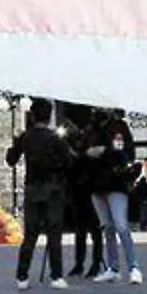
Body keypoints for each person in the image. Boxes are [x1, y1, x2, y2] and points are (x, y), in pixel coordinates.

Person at [5, 98, 73, 291]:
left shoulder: (26, 137)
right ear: (49, 115)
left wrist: (15, 142)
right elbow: (69, 162)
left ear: (33, 115)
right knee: (54, 235)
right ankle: (56, 276)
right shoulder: (55, 138)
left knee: (30, 236)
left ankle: (22, 276)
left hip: (32, 190)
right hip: (53, 190)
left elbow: (11, 160)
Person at [87, 113, 144, 286]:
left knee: (121, 225)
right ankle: (113, 268)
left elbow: (125, 153)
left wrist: (103, 151)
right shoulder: (91, 128)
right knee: (108, 227)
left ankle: (134, 267)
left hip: (115, 184)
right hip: (96, 185)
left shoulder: (118, 127)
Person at [64, 116, 105, 279]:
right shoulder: (73, 143)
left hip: (89, 187)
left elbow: (87, 159)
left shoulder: (93, 138)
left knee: (94, 228)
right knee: (80, 229)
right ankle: (79, 263)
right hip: (76, 188)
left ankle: (96, 262)